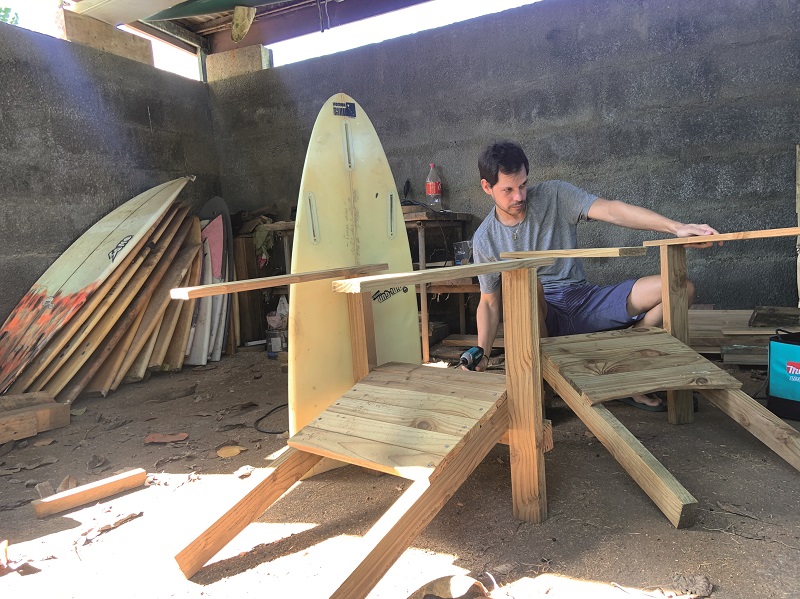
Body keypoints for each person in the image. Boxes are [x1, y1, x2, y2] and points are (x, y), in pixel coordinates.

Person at [470, 140, 719, 410]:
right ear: (487, 187)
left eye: (523, 185)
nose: (519, 196)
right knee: (531, 284)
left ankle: (624, 371)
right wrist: (480, 353)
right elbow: (489, 302)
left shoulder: (555, 194)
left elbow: (612, 210)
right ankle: (545, 384)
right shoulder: (485, 239)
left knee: (679, 288)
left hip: (582, 299)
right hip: (540, 315)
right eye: (508, 189)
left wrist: (676, 227)